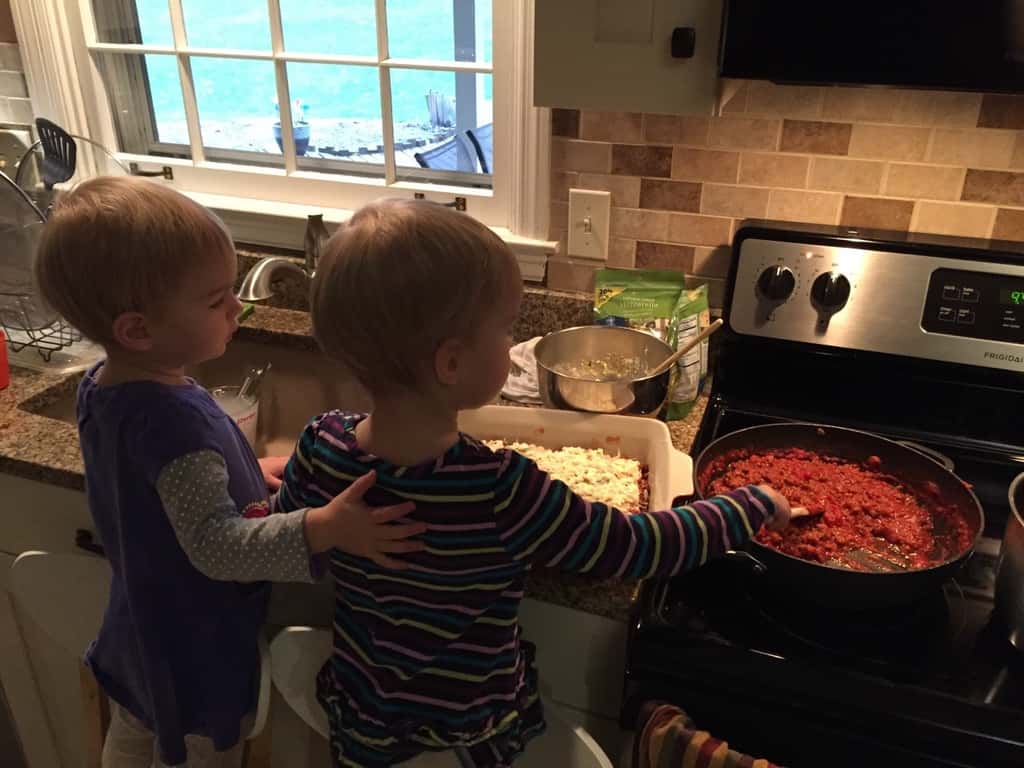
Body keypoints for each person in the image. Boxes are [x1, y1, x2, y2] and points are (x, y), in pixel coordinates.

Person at [276, 198, 793, 767]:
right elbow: (635, 546)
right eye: (506, 331)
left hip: (363, 732)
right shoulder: (501, 491)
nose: (513, 344)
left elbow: (282, 529)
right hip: (471, 742)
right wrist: (748, 506)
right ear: (450, 365)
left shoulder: (320, 447)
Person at [33, 177, 425, 767]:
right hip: (194, 652)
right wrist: (324, 526)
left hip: (141, 629)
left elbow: (153, 486)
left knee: (135, 745)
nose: (237, 308)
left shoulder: (110, 385)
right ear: (137, 328)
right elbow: (216, 546)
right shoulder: (172, 418)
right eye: (216, 300)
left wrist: (244, 467)